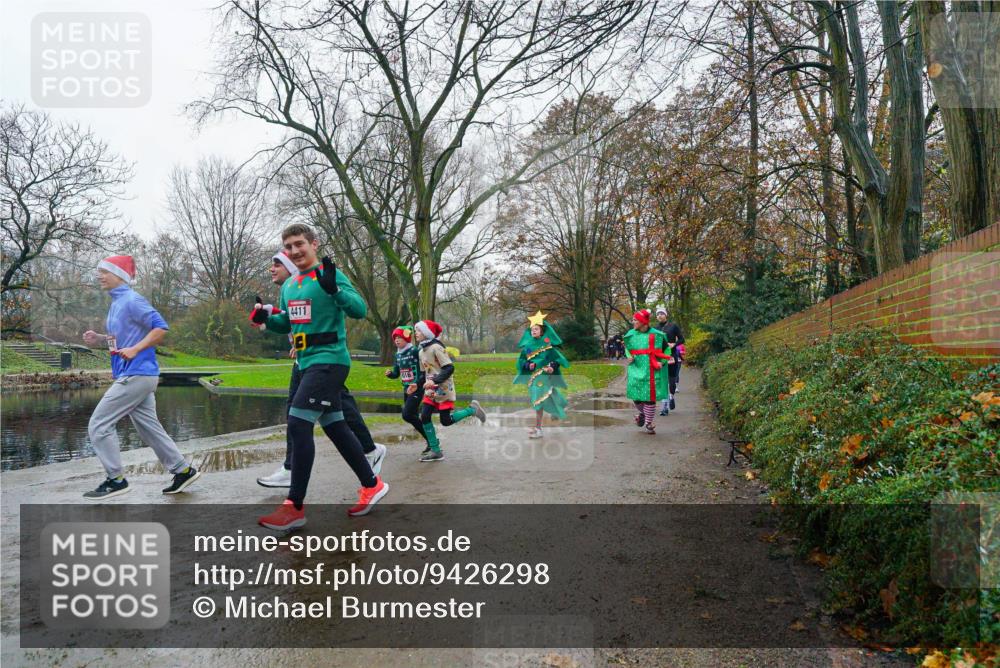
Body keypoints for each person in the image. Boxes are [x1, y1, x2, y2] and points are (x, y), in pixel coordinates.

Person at [252, 224, 387, 530]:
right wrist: (266, 320)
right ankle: (372, 483)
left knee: (298, 422)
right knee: (335, 426)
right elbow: (288, 322)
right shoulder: (289, 286)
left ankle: (294, 506)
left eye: (300, 244)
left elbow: (360, 310)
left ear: (314, 244)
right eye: (289, 247)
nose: (295, 251)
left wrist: (335, 290)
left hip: (330, 361)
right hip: (305, 362)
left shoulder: (329, 275)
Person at [81, 255, 201, 499]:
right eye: (99, 271)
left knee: (99, 424)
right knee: (148, 427)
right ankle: (183, 470)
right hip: (135, 373)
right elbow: (124, 336)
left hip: (137, 373)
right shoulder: (117, 303)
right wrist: (101, 339)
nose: (99, 275)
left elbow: (160, 327)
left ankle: (116, 479)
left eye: (105, 271)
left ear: (120, 275)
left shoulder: (132, 300)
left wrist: (135, 350)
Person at [413, 320, 487, 462]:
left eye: (419, 330)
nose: (416, 333)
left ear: (427, 333)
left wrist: (434, 381)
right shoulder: (421, 351)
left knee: (445, 421)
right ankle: (436, 451)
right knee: (425, 416)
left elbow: (449, 367)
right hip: (430, 390)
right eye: (416, 330)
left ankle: (472, 410)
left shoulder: (436, 348)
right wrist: (416, 384)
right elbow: (424, 373)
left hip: (443, 389)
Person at [514, 311, 570, 439]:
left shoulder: (546, 345)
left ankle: (538, 429)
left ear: (542, 331)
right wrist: (528, 365)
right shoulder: (528, 346)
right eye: (532, 329)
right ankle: (559, 404)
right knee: (545, 396)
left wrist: (552, 367)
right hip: (533, 378)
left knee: (538, 400)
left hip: (544, 376)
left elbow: (557, 359)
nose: (533, 331)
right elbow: (522, 361)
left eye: (536, 329)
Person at [384, 325, 433, 449]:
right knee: (412, 416)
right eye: (395, 338)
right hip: (406, 389)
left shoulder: (415, 351)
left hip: (417, 387)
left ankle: (432, 440)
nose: (397, 340)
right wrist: (390, 374)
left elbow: (424, 369)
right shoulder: (398, 355)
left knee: (407, 415)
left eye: (400, 337)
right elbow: (397, 373)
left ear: (407, 338)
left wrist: (418, 382)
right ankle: (431, 440)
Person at [624, 309, 672, 435]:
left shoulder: (657, 335)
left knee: (650, 398)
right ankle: (643, 414)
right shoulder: (631, 334)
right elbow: (628, 349)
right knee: (636, 397)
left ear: (643, 322)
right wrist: (628, 356)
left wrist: (662, 361)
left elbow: (667, 350)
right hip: (636, 368)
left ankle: (648, 424)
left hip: (652, 370)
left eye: (635, 320)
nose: (632, 322)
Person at [654, 305, 684, 416]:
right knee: (662, 382)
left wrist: (674, 344)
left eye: (661, 313)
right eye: (657, 314)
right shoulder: (655, 329)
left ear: (666, 315)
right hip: (660, 358)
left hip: (672, 357)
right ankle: (664, 407)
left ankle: (671, 396)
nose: (659, 316)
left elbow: (682, 339)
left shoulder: (673, 326)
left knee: (671, 382)